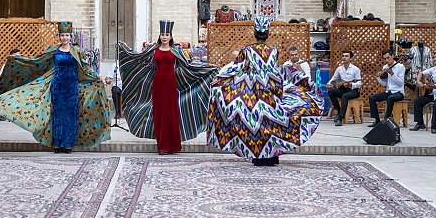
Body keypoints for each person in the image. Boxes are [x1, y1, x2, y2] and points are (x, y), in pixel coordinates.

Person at [207, 17, 324, 166]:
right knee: (272, 121)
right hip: (271, 89)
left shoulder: (247, 50)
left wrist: (219, 79)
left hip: (253, 90)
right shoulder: (273, 51)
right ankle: (272, 156)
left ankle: (259, 155)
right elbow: (274, 70)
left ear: (255, 33)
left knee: (257, 121)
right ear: (267, 33)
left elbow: (235, 68)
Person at [0, 21, 110, 152]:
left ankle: (68, 144)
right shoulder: (53, 50)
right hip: (57, 86)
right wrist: (17, 60)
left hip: (72, 87)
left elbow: (86, 69)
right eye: (62, 35)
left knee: (71, 115)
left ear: (71, 37)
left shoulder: (77, 51)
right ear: (59, 36)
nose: (64, 38)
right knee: (57, 115)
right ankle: (58, 144)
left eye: (67, 35)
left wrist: (100, 77)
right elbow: (38, 63)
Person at [117, 20, 217, 155]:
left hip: (171, 85)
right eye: (162, 34)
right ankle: (162, 146)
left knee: (171, 114)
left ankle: (173, 146)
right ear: (160, 36)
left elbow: (188, 65)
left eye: (167, 34)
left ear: (170, 36)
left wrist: (208, 68)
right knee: (159, 115)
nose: (164, 37)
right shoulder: (152, 50)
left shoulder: (176, 51)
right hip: (157, 85)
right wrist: (125, 50)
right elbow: (138, 58)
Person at [368, 49, 405, 127]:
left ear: (392, 56)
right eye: (385, 58)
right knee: (372, 98)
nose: (386, 60)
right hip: (388, 91)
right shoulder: (385, 67)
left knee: (390, 98)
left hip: (398, 92)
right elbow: (385, 83)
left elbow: (400, 83)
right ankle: (377, 121)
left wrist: (392, 74)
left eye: (388, 57)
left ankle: (386, 121)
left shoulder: (400, 67)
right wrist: (378, 77)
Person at [326, 51, 362, 126]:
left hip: (353, 90)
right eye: (343, 56)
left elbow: (359, 83)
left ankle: (340, 118)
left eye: (346, 56)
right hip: (343, 89)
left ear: (350, 58)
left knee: (344, 96)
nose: (344, 58)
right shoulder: (339, 69)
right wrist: (329, 84)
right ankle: (339, 111)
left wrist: (351, 84)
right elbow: (333, 79)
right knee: (331, 91)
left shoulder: (355, 69)